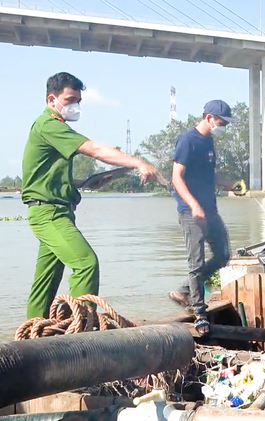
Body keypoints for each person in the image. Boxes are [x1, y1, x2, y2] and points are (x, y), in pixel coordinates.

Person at [21, 72, 159, 319]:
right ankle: (82, 331)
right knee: (86, 264)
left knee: (46, 281)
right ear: (52, 100)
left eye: (78, 101)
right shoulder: (49, 125)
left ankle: (32, 334)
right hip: (49, 213)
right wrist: (138, 162)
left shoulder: (52, 129)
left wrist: (87, 182)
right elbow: (94, 149)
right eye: (70, 99)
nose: (75, 106)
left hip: (55, 209)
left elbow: (46, 178)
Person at [168, 99, 239, 336]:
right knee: (196, 263)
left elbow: (208, 174)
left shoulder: (208, 141)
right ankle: (200, 312)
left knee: (223, 255)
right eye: (221, 122)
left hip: (210, 209)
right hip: (192, 212)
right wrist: (193, 204)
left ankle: (184, 290)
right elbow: (176, 177)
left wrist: (229, 184)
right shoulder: (188, 140)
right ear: (209, 117)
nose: (223, 127)